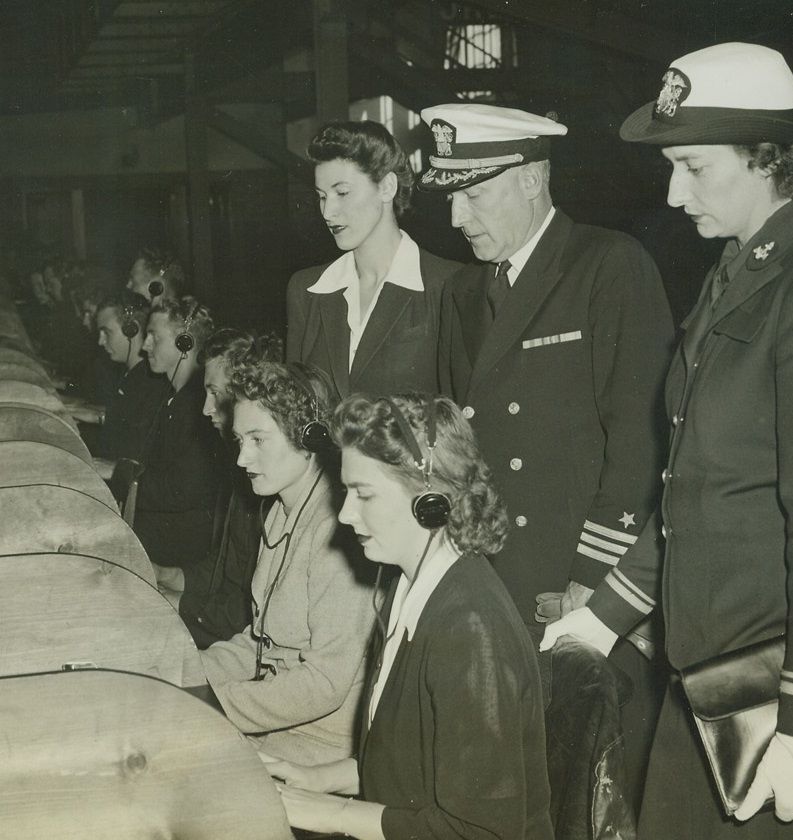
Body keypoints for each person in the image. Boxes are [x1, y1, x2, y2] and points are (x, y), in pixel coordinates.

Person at [541, 43, 793, 839]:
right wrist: (605, 615)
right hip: (706, 676)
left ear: (768, 160)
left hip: (779, 694)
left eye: (694, 168)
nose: (674, 193)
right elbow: (696, 489)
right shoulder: (735, 273)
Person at [424, 102, 675, 801]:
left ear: (532, 179)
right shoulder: (463, 291)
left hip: (572, 584)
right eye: (451, 198)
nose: (457, 218)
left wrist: (594, 579)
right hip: (491, 578)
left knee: (586, 787)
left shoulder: (606, 265)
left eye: (475, 195)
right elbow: (456, 451)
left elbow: (643, 440)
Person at [266, 393, 553, 840]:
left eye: (364, 494)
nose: (345, 514)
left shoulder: (470, 628)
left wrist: (333, 814)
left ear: (430, 500)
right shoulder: (409, 586)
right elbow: (411, 765)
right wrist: (315, 778)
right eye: (346, 492)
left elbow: (480, 832)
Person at [200, 361, 375, 765]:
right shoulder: (281, 510)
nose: (242, 458)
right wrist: (182, 670)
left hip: (318, 748)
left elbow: (324, 683)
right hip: (275, 729)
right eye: (240, 440)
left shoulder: (337, 533)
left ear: (309, 437)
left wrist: (209, 702)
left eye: (258, 440)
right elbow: (261, 644)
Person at [287, 120, 460, 400]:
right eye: (322, 196)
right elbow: (293, 411)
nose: (328, 212)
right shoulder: (306, 290)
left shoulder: (448, 285)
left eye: (342, 193)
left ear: (386, 187)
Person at [176, 327, 285, 648]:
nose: (206, 408)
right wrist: (166, 576)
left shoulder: (264, 483)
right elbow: (223, 572)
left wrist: (177, 604)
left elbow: (244, 614)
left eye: (215, 393)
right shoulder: (238, 468)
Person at [132, 295, 223, 588]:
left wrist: (123, 476)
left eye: (154, 337)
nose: (145, 345)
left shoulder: (198, 407)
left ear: (185, 343)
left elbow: (181, 490)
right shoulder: (176, 397)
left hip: (179, 547)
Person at [86, 291, 170, 498]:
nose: (100, 341)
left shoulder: (150, 382)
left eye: (107, 332)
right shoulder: (131, 374)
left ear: (132, 330)